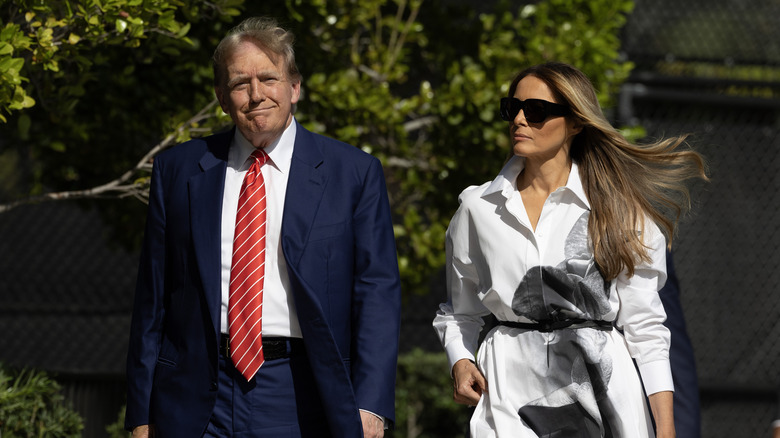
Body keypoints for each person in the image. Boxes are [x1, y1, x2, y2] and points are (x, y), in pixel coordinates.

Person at [125, 17, 401, 438]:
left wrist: (371, 405)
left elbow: (376, 292)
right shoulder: (178, 170)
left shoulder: (353, 173)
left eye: (269, 78)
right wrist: (142, 413)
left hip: (302, 391)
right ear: (221, 96)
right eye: (240, 83)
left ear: (294, 88)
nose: (256, 95)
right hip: (194, 394)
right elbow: (153, 299)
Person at [433, 61, 707, 437]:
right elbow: (460, 312)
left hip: (605, 396)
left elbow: (645, 326)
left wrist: (666, 428)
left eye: (537, 111)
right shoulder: (478, 208)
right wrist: (460, 361)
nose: (519, 120)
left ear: (576, 123)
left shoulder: (619, 209)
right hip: (509, 397)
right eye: (512, 108)